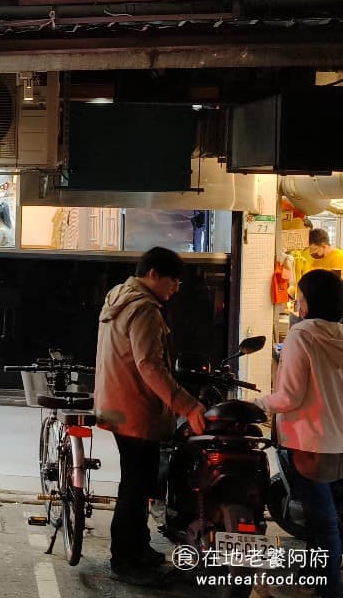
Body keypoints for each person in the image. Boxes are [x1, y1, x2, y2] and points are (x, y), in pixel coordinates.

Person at [93, 246, 207, 584]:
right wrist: (188, 405)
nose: (176, 288)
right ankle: (125, 560)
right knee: (135, 485)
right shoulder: (144, 308)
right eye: (173, 281)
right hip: (136, 408)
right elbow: (150, 366)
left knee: (137, 482)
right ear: (154, 274)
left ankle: (138, 546)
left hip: (117, 403)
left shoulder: (118, 296)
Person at [257, 269, 343, 598]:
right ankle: (312, 579)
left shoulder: (302, 334)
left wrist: (259, 403)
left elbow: (289, 397)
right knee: (330, 521)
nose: (298, 303)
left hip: (310, 442)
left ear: (309, 301)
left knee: (323, 523)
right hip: (339, 443)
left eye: (301, 296)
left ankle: (328, 590)